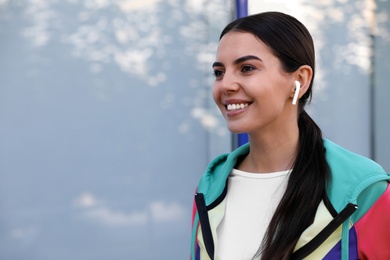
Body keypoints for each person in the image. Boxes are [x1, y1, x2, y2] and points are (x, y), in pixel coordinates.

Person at [190, 11, 390, 260]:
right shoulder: (210, 188)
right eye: (219, 72)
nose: (226, 84)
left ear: (300, 80)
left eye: (247, 68)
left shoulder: (362, 190)